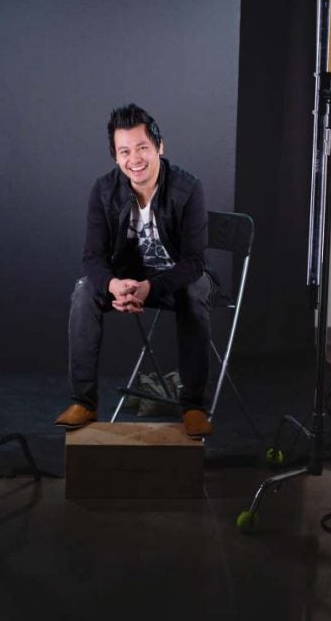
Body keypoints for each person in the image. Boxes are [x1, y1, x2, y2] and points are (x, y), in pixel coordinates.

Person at [55, 103, 215, 438]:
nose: (135, 159)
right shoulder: (103, 190)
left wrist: (150, 288)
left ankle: (194, 406)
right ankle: (84, 401)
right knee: (84, 290)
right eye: (125, 151)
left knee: (194, 291)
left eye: (142, 147)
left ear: (159, 146)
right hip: (126, 280)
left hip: (176, 281)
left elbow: (194, 262)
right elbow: (92, 257)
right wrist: (114, 285)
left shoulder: (188, 189)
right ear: (115, 157)